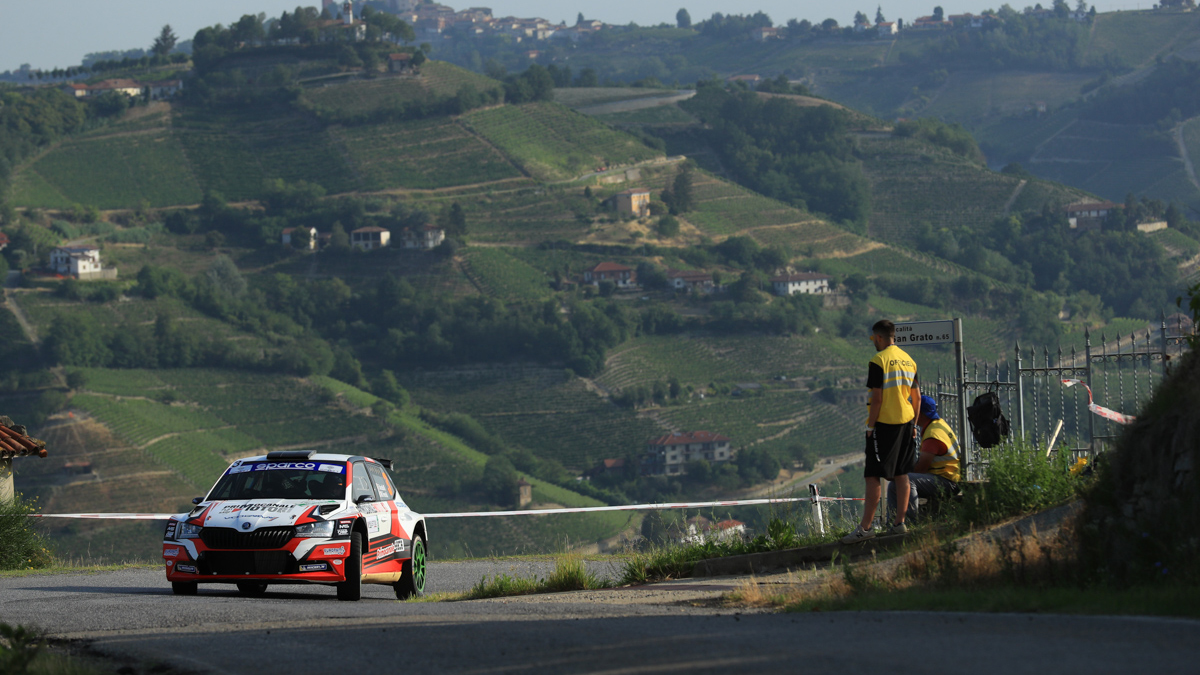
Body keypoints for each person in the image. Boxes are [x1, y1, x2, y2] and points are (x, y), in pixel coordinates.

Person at [842, 319, 920, 543]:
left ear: (878, 338)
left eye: (874, 339)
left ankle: (865, 529)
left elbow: (877, 399)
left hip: (884, 424)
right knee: (901, 473)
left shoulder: (878, 361)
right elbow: (917, 397)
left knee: (872, 474)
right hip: (906, 422)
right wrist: (914, 425)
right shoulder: (909, 360)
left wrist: (870, 427)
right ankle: (899, 524)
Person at [887, 395, 961, 522]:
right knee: (895, 483)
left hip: (947, 482)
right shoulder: (938, 425)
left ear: (920, 413)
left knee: (906, 480)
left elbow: (921, 469)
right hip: (948, 478)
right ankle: (894, 522)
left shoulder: (932, 436)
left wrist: (898, 474)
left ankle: (909, 521)